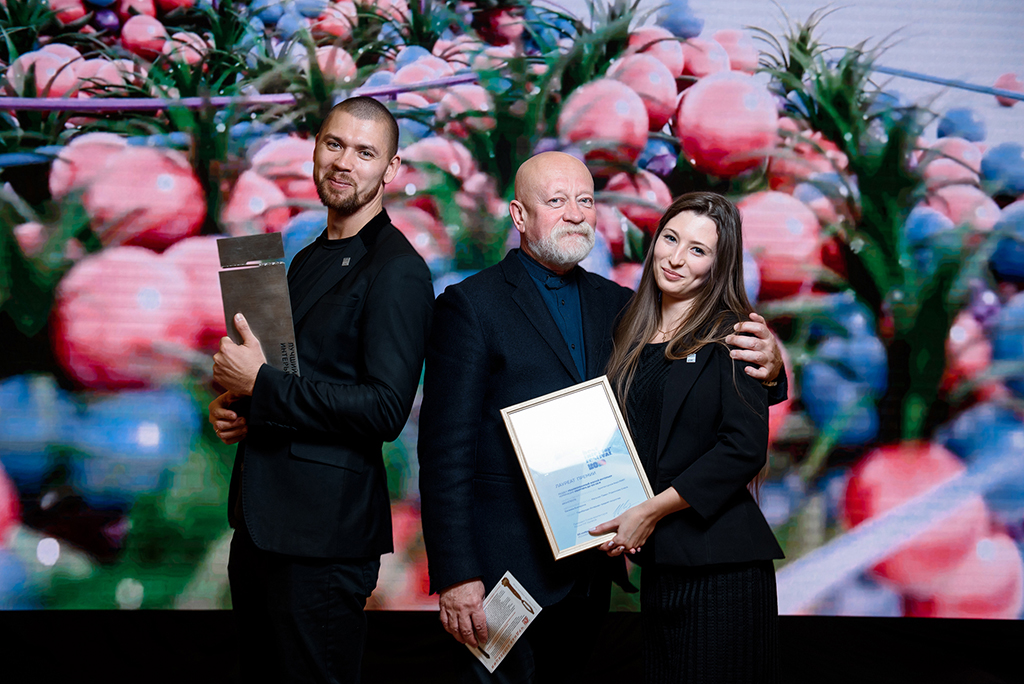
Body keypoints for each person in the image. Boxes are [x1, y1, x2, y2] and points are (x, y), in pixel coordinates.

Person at [417, 152, 785, 682]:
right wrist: (456, 574)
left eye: (585, 200)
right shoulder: (470, 305)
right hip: (502, 575)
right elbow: (444, 451)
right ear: (519, 216)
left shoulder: (621, 305)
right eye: (556, 200)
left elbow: (684, 378)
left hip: (590, 569)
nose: (574, 213)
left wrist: (771, 370)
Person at [209, 96, 434, 684]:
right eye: (334, 144)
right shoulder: (307, 257)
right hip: (260, 529)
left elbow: (385, 408)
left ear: (391, 169)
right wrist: (245, 408)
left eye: (365, 152)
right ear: (314, 148)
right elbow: (302, 378)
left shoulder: (398, 269)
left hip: (323, 541)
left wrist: (262, 385)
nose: (344, 162)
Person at [589, 192, 785, 683]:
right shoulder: (628, 331)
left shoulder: (734, 334)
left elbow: (743, 448)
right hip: (661, 567)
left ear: (719, 265)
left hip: (722, 571)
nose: (676, 258)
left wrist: (649, 512)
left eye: (698, 250)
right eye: (671, 239)